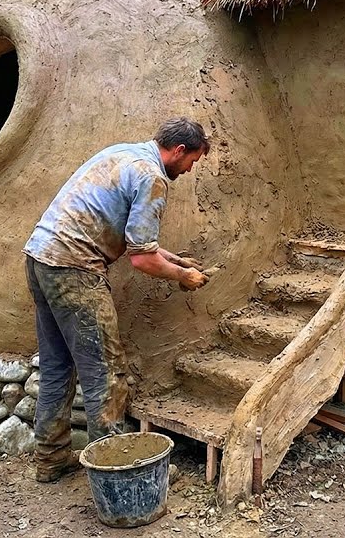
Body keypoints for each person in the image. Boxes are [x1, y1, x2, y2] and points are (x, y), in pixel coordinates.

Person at [23, 117, 212, 482]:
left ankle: (50, 459)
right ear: (179, 150)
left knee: (57, 368)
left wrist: (173, 259)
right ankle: (118, 472)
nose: (190, 170)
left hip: (40, 259)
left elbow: (135, 240)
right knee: (107, 374)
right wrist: (183, 277)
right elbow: (141, 260)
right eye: (193, 161)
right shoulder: (153, 177)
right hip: (74, 269)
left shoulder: (124, 154)